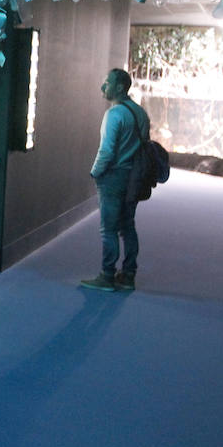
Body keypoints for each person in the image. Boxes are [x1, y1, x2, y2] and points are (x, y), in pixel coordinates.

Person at [81, 68, 149, 291]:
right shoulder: (140, 113)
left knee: (108, 229)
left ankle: (107, 276)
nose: (103, 87)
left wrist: (95, 172)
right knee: (128, 227)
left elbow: (107, 151)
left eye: (107, 83)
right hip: (134, 177)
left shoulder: (114, 114)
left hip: (113, 177)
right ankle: (128, 275)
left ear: (120, 87)